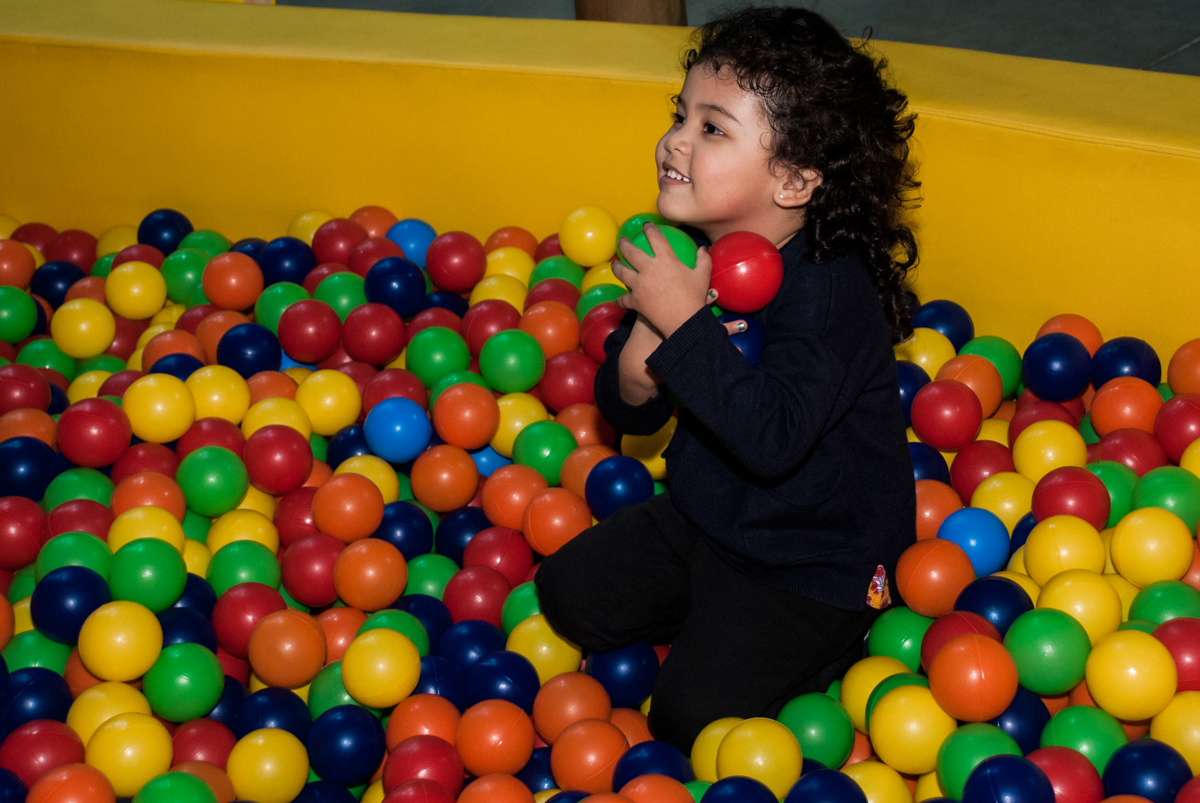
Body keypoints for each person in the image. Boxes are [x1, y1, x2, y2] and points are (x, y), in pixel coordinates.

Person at [535, 6, 919, 753]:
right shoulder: (686, 253)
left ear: (794, 180)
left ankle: (844, 635)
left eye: (713, 128)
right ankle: (709, 611)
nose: (676, 140)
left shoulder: (830, 291)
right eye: (681, 115)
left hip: (813, 561)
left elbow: (772, 439)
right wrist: (648, 338)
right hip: (709, 516)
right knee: (566, 594)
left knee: (687, 721)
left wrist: (683, 325)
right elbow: (629, 412)